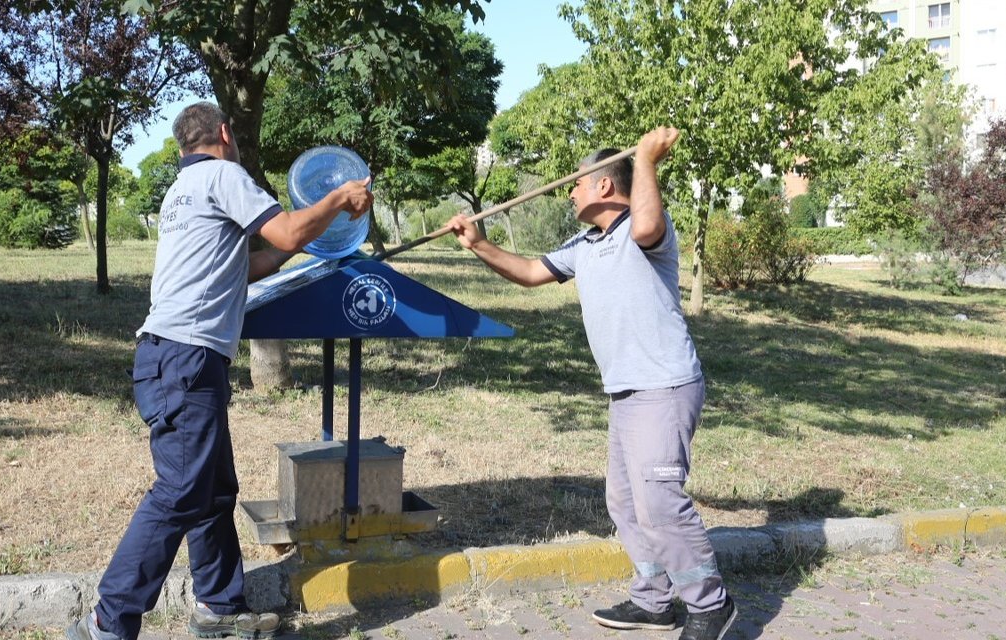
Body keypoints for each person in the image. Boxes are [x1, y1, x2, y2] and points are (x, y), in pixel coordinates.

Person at [66, 102, 373, 640]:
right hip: (185, 358)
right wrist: (339, 198)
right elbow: (288, 233)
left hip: (178, 358)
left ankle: (220, 610)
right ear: (225, 134)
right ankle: (108, 621)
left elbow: (248, 264)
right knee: (181, 491)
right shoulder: (225, 175)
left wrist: (305, 256)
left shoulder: (181, 189)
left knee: (211, 491)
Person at [445, 127, 737, 640]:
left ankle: (710, 604)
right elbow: (533, 271)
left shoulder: (645, 230)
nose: (570, 191)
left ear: (605, 187)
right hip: (626, 391)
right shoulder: (587, 243)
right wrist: (479, 245)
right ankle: (653, 600)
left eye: (578, 183)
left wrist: (645, 159)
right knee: (625, 502)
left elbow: (646, 221)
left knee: (659, 499)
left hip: (663, 386)